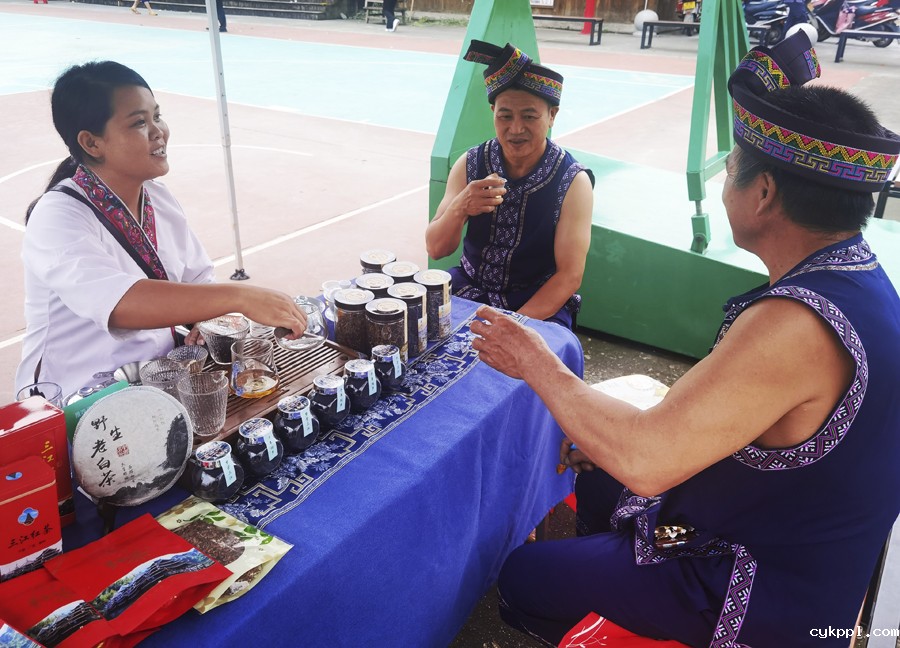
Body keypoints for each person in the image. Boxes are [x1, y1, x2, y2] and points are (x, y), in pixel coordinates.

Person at [470, 32, 900, 647]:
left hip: (764, 588)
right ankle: (611, 574)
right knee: (597, 471)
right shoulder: (856, 277)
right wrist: (609, 436)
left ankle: (610, 600)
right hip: (792, 530)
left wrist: (536, 361)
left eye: (732, 169)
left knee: (523, 574)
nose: (726, 182)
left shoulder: (794, 324)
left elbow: (646, 461)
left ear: (764, 193)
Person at [16, 61, 307, 400]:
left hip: (159, 379)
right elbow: (120, 304)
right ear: (92, 143)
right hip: (78, 397)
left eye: (157, 116)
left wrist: (206, 320)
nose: (158, 131)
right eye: (139, 122)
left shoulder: (158, 198)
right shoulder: (57, 217)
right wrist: (240, 297)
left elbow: (197, 282)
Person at [425, 41, 594, 330]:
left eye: (529, 116)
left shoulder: (573, 181)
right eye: (505, 116)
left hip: (537, 302)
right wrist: (460, 206)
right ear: (493, 111)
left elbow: (569, 276)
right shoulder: (470, 163)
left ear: (552, 115)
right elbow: (436, 248)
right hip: (468, 289)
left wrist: (510, 327)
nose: (516, 129)